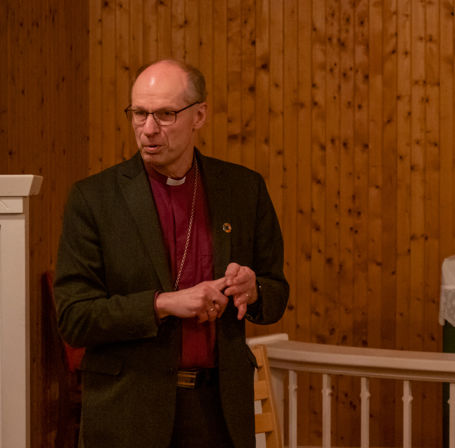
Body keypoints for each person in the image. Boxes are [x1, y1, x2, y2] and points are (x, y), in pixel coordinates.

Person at [54, 59, 288, 448]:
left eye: (165, 115)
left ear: (200, 115)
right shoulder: (94, 199)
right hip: (128, 410)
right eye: (139, 114)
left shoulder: (243, 189)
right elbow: (74, 318)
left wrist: (253, 289)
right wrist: (162, 304)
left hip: (218, 412)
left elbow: (276, 290)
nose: (148, 129)